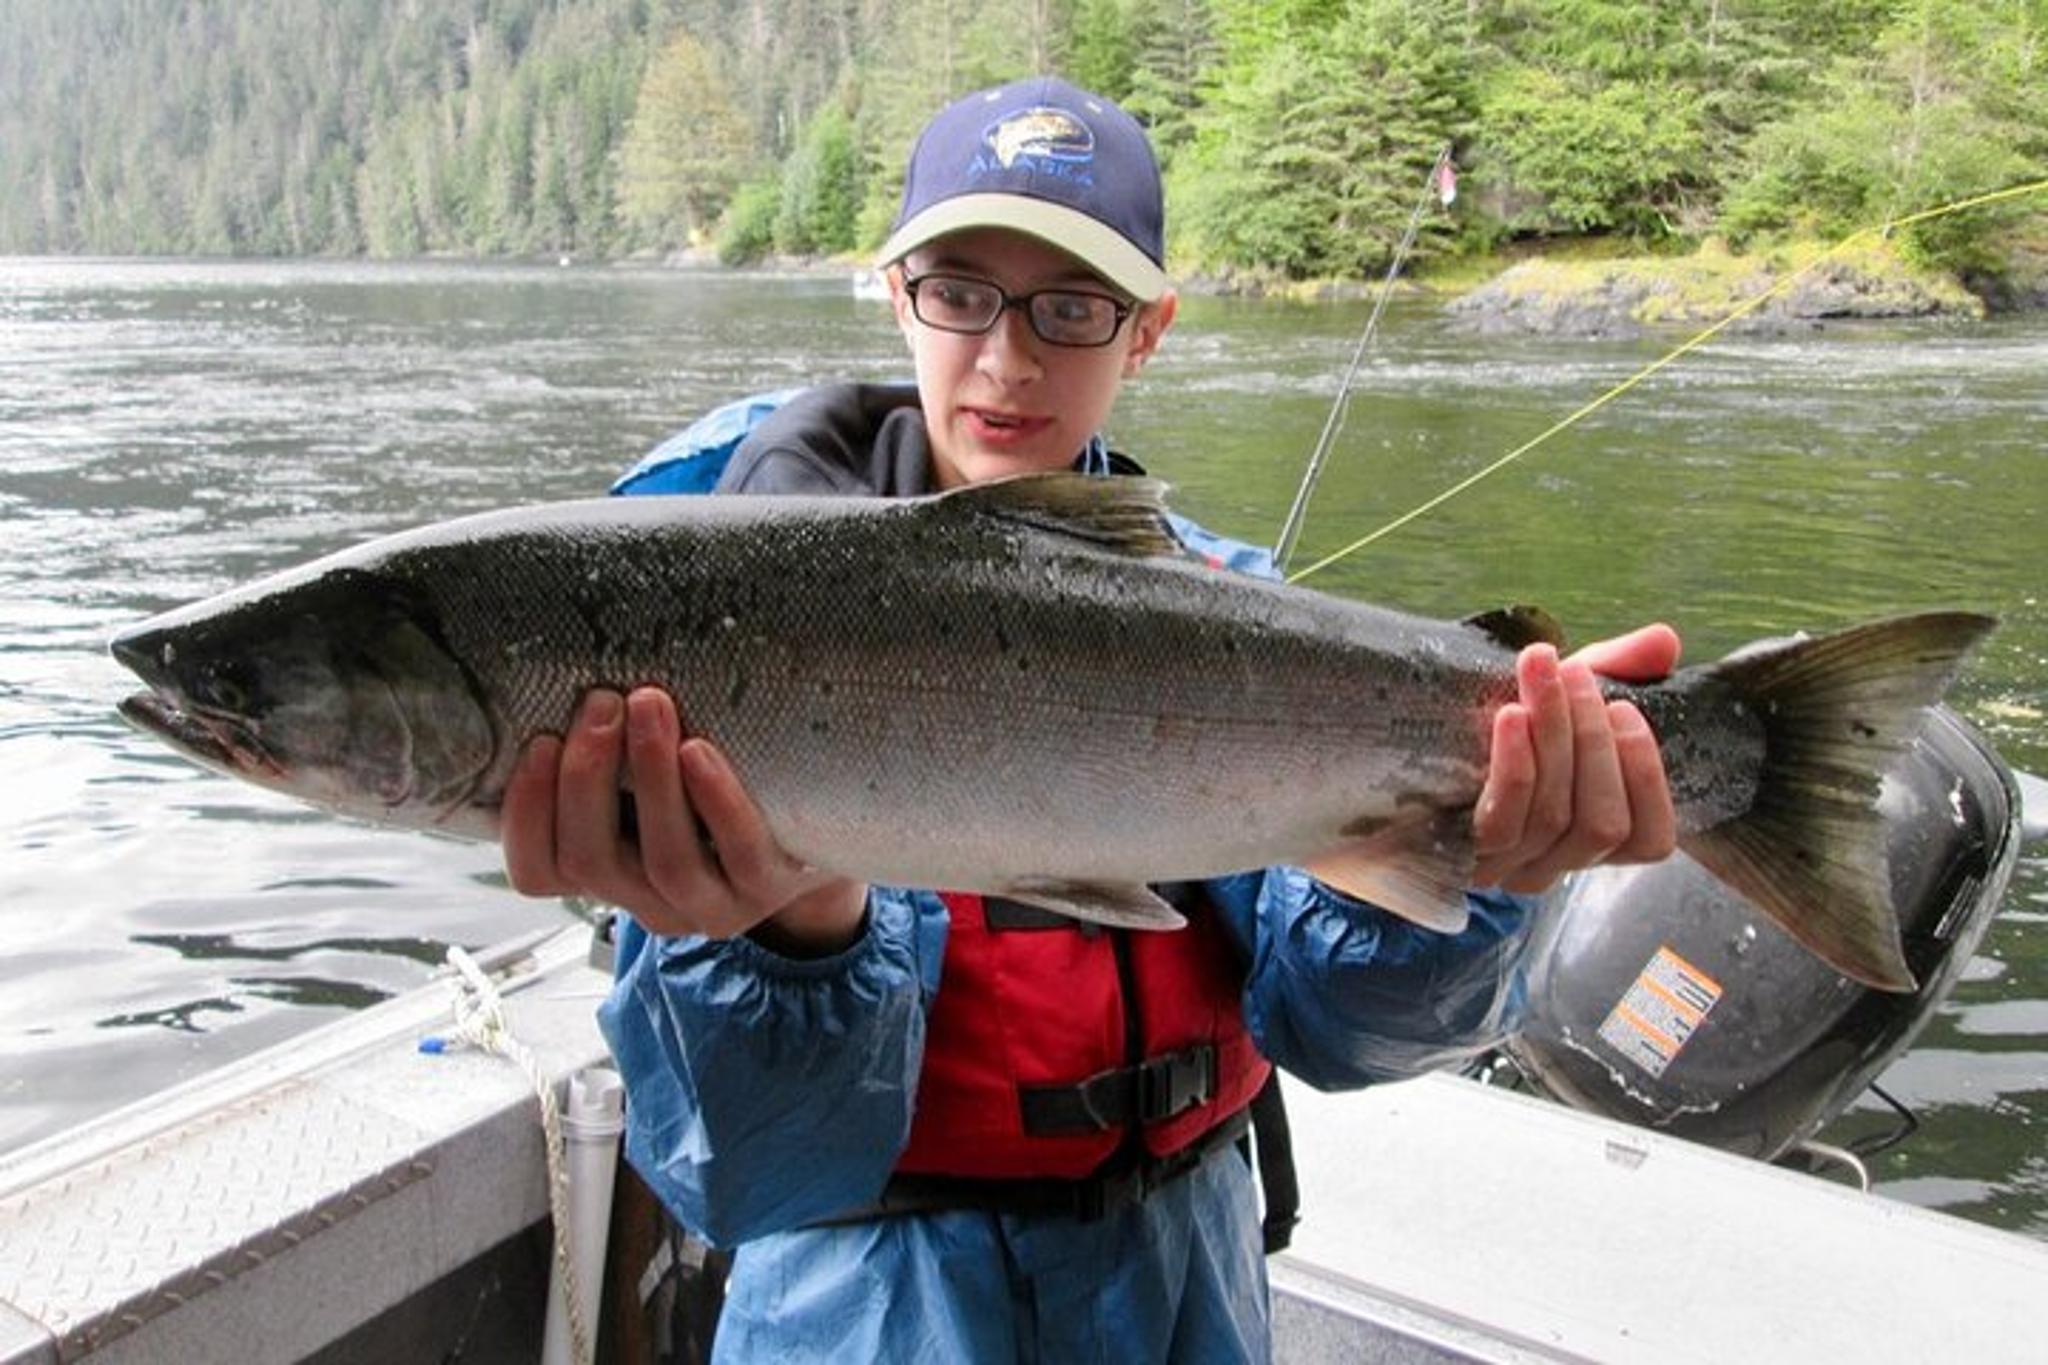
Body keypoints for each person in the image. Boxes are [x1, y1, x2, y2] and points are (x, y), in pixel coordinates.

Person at [500, 76, 1680, 1362]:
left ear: (1147, 330)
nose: (1007, 360)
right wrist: (789, 928)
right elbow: (747, 1174)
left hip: (1188, 1295)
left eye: (1070, 308)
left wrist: (1482, 863)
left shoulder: (1238, 618)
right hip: (867, 1316)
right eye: (960, 294)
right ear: (896, 295)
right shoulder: (718, 634)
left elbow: (1348, 1031)